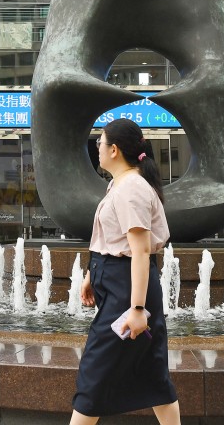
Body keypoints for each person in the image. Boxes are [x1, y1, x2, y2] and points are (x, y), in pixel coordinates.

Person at [71, 118, 180, 425]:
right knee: (152, 374)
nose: (97, 149)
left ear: (114, 150)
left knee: (94, 373)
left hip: (127, 294)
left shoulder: (130, 188)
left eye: (99, 143)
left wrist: (137, 308)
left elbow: (141, 251)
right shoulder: (120, 184)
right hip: (121, 286)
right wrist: (94, 274)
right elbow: (116, 239)